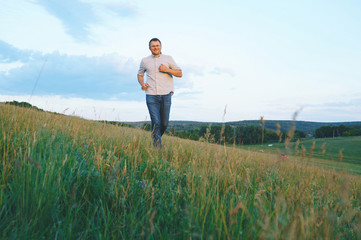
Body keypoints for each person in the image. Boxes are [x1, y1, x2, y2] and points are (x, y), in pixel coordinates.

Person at [137, 38, 182, 147]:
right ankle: (157, 148)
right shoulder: (145, 61)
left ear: (161, 46)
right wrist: (142, 84)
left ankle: (155, 139)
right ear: (149, 48)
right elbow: (140, 74)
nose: (155, 47)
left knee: (164, 123)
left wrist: (167, 70)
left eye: (157, 45)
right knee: (156, 122)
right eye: (153, 46)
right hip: (151, 95)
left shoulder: (168, 58)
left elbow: (180, 73)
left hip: (166, 94)